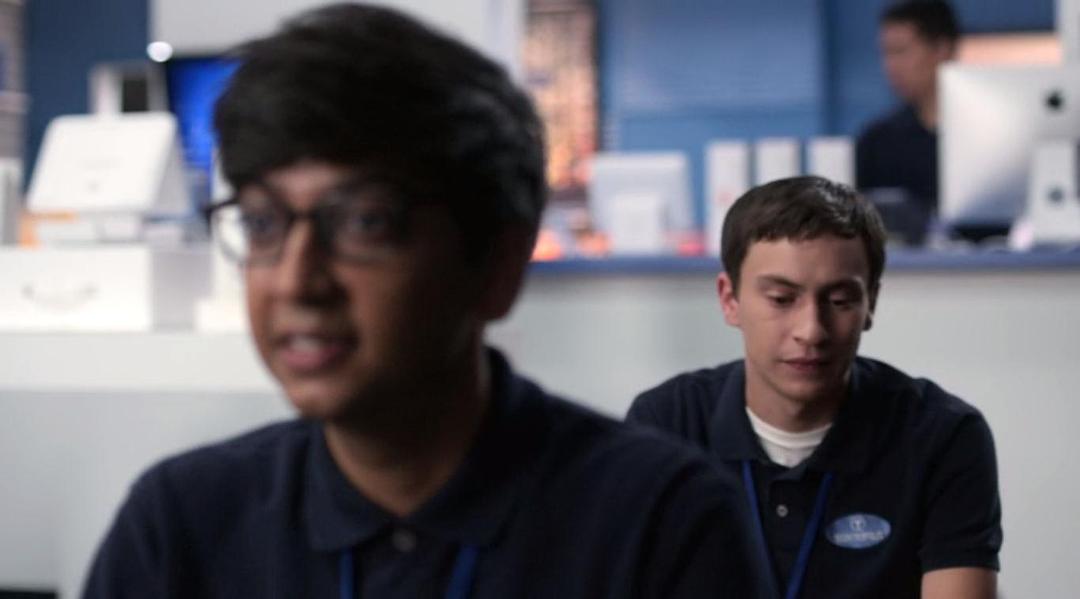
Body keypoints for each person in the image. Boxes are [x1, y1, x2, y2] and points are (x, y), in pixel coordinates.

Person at [81, 4, 766, 598]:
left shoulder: (658, 522)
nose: (296, 281)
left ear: (496, 263)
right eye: (263, 223)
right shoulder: (182, 525)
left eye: (364, 222)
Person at [627, 176, 1001, 598]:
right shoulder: (665, 426)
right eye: (781, 299)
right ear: (730, 300)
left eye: (840, 301)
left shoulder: (942, 436)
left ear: (871, 303)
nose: (812, 331)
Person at [856, 1, 959, 241]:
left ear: (941, 50)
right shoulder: (877, 142)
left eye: (901, 51)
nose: (890, 66)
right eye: (886, 53)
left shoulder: (990, 135)